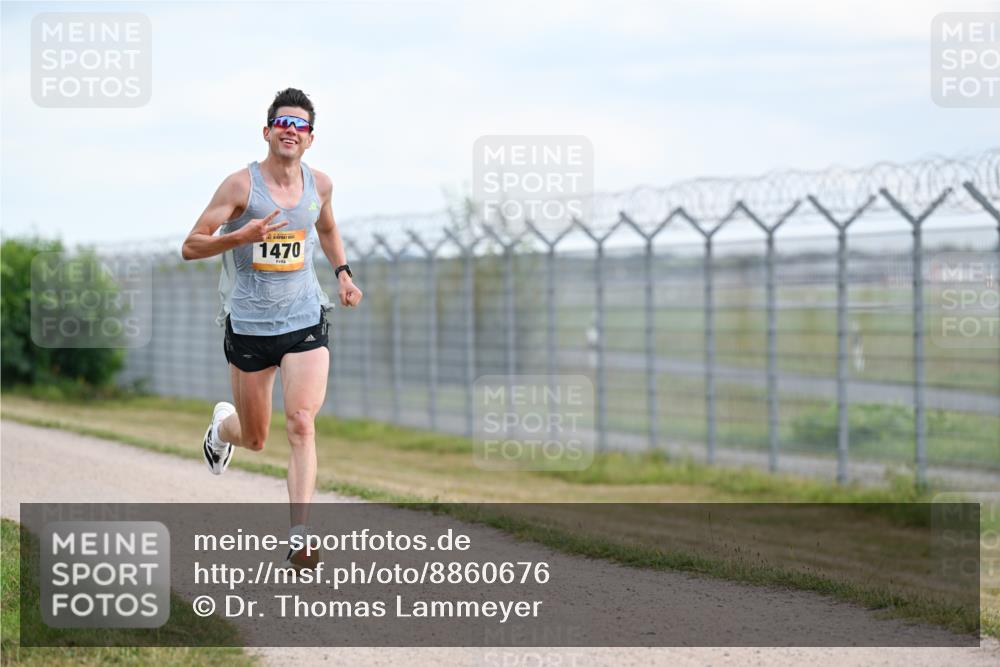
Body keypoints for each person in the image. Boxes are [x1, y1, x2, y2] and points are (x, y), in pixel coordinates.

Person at [180, 88, 362, 568]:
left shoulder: (319, 185)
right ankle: (222, 429)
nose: (290, 130)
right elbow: (191, 245)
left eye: (299, 125)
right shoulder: (240, 187)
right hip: (249, 326)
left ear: (310, 139)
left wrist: (343, 274)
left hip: (304, 318)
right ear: (267, 132)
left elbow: (324, 228)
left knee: (302, 423)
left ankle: (300, 535)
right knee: (256, 437)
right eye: (282, 122)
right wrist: (239, 235)